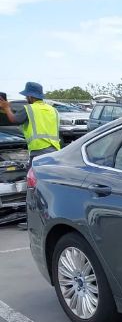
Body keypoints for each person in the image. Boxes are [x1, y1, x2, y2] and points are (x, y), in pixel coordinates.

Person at [0, 82, 62, 229]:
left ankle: (32, 222)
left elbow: (14, 120)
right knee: (48, 189)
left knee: (33, 188)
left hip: (38, 153)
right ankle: (49, 219)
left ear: (30, 96)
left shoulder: (29, 109)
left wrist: (6, 108)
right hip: (55, 152)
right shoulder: (52, 110)